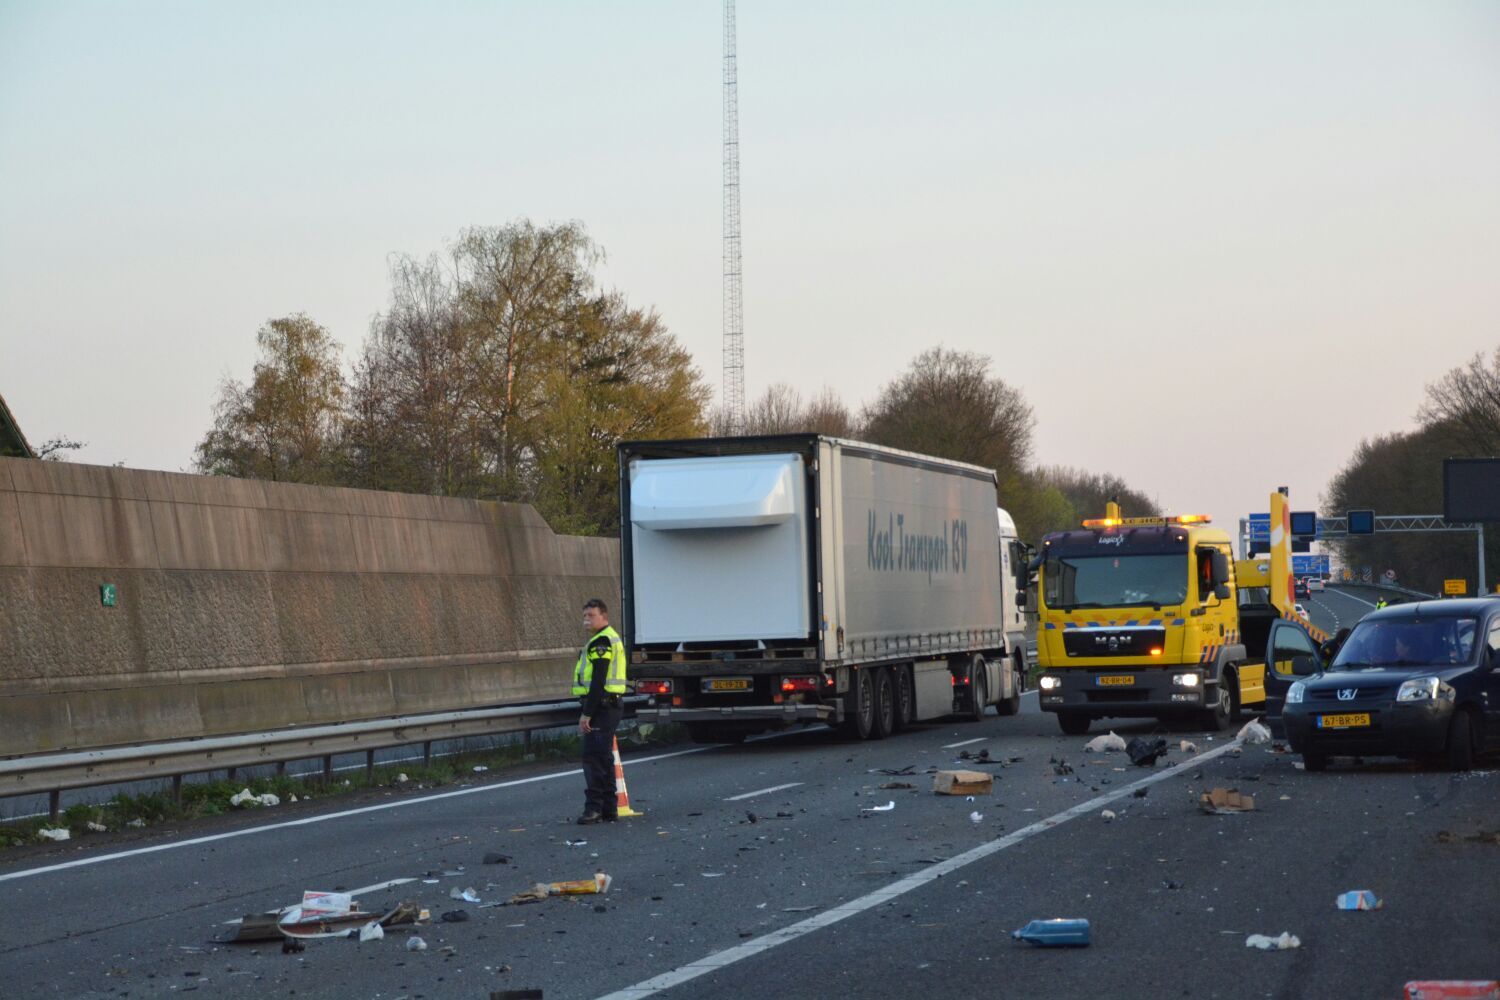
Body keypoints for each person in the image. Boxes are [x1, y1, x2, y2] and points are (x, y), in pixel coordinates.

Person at [573, 598, 627, 825]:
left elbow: (597, 681)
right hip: (609, 705)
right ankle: (609, 808)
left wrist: (587, 713)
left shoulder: (601, 641)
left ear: (604, 616)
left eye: (591, 615)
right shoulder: (606, 637)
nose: (587, 620)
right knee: (602, 758)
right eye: (585, 615)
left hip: (602, 706)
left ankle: (594, 809)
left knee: (593, 758)